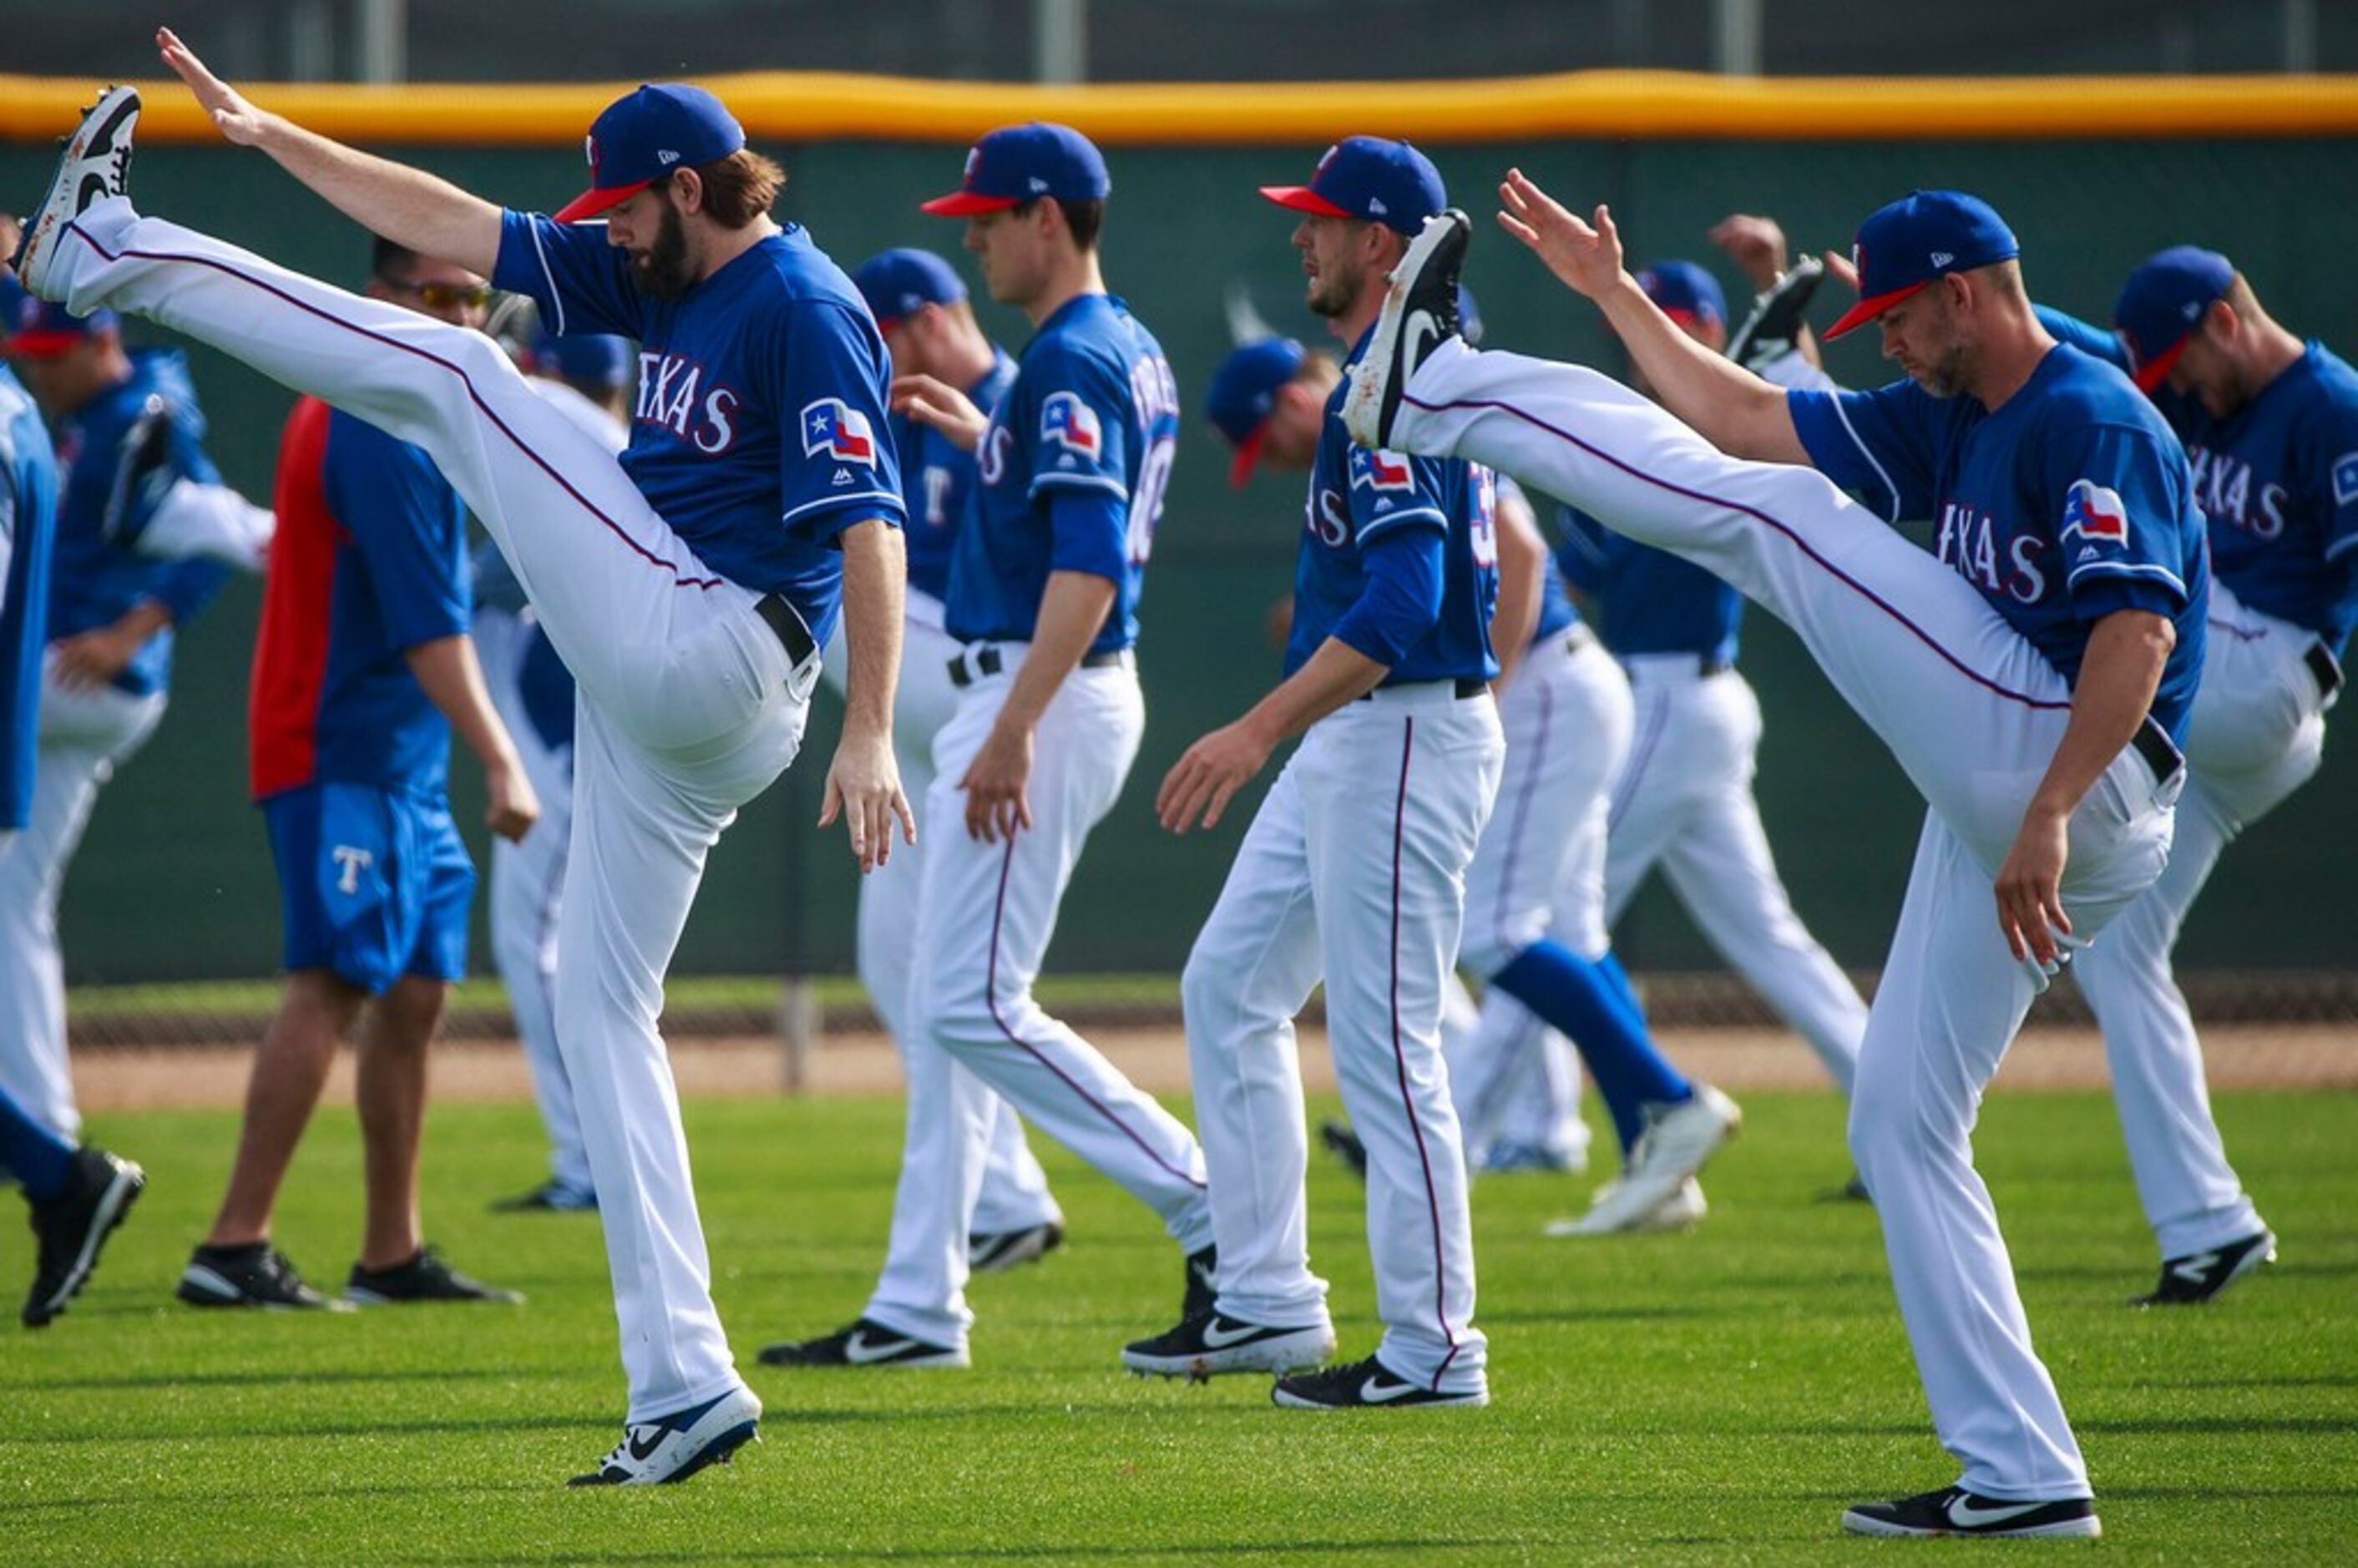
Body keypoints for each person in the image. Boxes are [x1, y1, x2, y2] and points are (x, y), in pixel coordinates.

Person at [18, 36, 913, 1484]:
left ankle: (97, 253)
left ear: (690, 189)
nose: (602, 232)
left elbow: (868, 522)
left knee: (451, 366)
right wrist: (269, 138)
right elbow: (454, 223)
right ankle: (683, 1382)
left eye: (623, 205)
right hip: (681, 692)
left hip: (710, 638)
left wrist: (872, 730)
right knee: (599, 1008)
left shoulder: (799, 302)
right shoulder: (665, 267)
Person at [1346, 178, 2204, 1535]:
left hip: (2069, 769)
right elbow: (1740, 414)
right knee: (1899, 1124)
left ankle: (1435, 387)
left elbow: (2133, 639)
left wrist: (2044, 809)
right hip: (2028, 785)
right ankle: (2024, 1474)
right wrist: (1609, 297)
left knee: (1780, 521)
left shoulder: (2081, 412)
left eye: (1894, 315)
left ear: (1963, 293)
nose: (1877, 339)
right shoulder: (1952, 415)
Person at [1126, 138, 1728, 1406]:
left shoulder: (1398, 393)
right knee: (1228, 981)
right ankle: (1270, 1298)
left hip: (1404, 729)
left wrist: (1253, 727)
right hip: (1365, 733)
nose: (1302, 237)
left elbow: (1405, 598)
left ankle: (1438, 1342)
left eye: (1324, 221)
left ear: (1383, 245)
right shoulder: (1381, 378)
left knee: (1387, 1044)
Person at [762, 124, 1214, 1372]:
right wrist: (990, 442)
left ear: (1049, 221)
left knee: (964, 1001)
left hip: (1041, 694)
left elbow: (1088, 565)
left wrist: (1011, 726)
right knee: (947, 1000)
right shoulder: (1092, 356)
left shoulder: (1070, 358)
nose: (975, 240)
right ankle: (918, 1303)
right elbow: (1069, 518)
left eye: (990, 219)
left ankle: (1217, 1199)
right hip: (1035, 690)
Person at [1201, 324, 1725, 1238]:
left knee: (1491, 930)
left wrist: (1493, 691)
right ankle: (1652, 1130)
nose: (1274, 462)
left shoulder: (1396, 408)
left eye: (1265, 441)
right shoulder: (1400, 406)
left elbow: (1521, 557)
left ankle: (1663, 1099)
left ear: (1286, 401)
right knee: (1565, 931)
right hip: (1548, 682)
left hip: (1540, 682)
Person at [175, 235, 535, 1313]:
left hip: (394, 750)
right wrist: (504, 759)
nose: (466, 319)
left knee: (417, 990)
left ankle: (390, 1251)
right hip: (339, 744)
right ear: (378, 297)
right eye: (441, 296)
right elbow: (432, 629)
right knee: (332, 982)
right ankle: (233, 1245)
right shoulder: (376, 416)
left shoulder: (402, 405)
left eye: (474, 298)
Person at [2037, 246, 2350, 1304]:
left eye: (2177, 357)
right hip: (2227, 726)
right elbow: (2071, 346)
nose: (2168, 383)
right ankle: (2208, 1226)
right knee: (2117, 954)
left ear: (2225, 319)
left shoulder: (2330, 407)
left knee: (2082, 601)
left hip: (2265, 675)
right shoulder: (2197, 392)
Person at [832, 246, 1064, 1272]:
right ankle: (1005, 1194)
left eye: (876, 339)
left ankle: (1003, 1206)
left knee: (967, 985)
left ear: (921, 321)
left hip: (995, 702)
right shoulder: (894, 419)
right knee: (897, 961)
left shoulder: (1013, 408)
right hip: (924, 725)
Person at [0, 287, 260, 1142]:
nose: (34, 374)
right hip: (75, 685)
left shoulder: (146, 411)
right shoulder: (99, 401)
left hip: (83, 678)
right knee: (15, 902)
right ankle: (44, 1124)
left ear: (96, 342)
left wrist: (133, 628)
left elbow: (222, 534)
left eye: (46, 358)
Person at [473, 326, 634, 1215]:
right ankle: (590, 1159)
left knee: (541, 953)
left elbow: (489, 586)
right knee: (567, 955)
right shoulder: (627, 444)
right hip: (581, 730)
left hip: (570, 740)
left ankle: (588, 1164)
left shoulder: (570, 441)